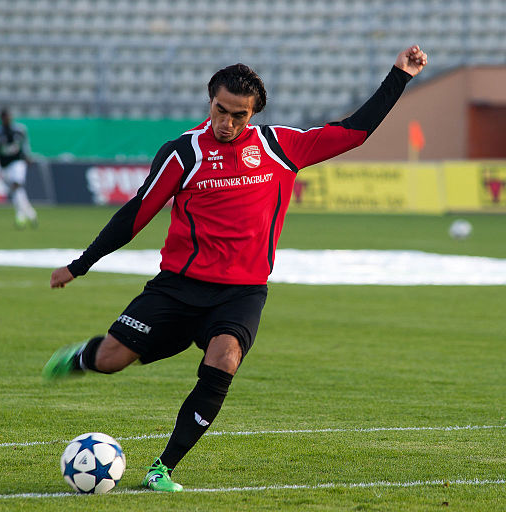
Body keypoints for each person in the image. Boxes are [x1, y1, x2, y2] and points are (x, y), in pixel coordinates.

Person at [43, 45, 428, 492]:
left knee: (224, 359)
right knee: (111, 360)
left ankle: (162, 468)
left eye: (238, 115)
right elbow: (136, 214)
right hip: (177, 288)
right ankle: (82, 357)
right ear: (210, 102)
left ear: (254, 113)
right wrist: (80, 264)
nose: (226, 123)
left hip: (240, 292)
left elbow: (355, 131)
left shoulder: (279, 146)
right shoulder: (183, 153)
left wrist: (399, 75)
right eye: (220, 111)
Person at [0, 108, 38, 228]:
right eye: (5, 117)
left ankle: (20, 216)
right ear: (1, 119)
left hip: (18, 162)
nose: (7, 119)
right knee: (16, 190)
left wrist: (28, 156)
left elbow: (25, 144)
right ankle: (31, 213)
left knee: (16, 185)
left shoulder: (19, 130)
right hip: (5, 165)